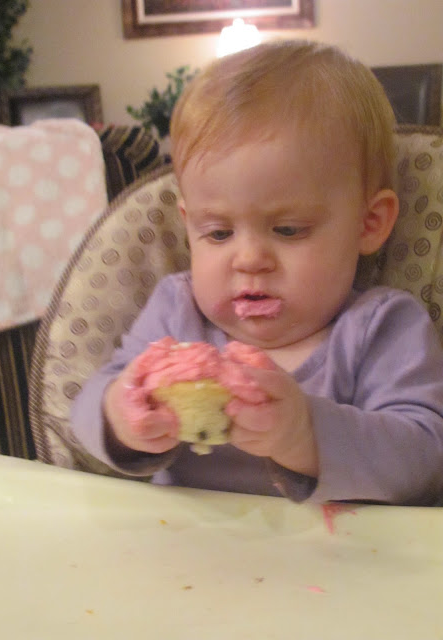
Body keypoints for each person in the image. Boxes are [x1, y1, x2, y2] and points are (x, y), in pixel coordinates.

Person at [71, 40, 443, 505]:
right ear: (188, 225)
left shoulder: (381, 327)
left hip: (338, 548)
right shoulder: (176, 311)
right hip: (183, 544)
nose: (248, 259)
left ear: (369, 223)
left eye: (287, 230)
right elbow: (85, 406)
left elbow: (427, 460)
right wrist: (119, 414)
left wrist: (304, 434)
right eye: (218, 233)